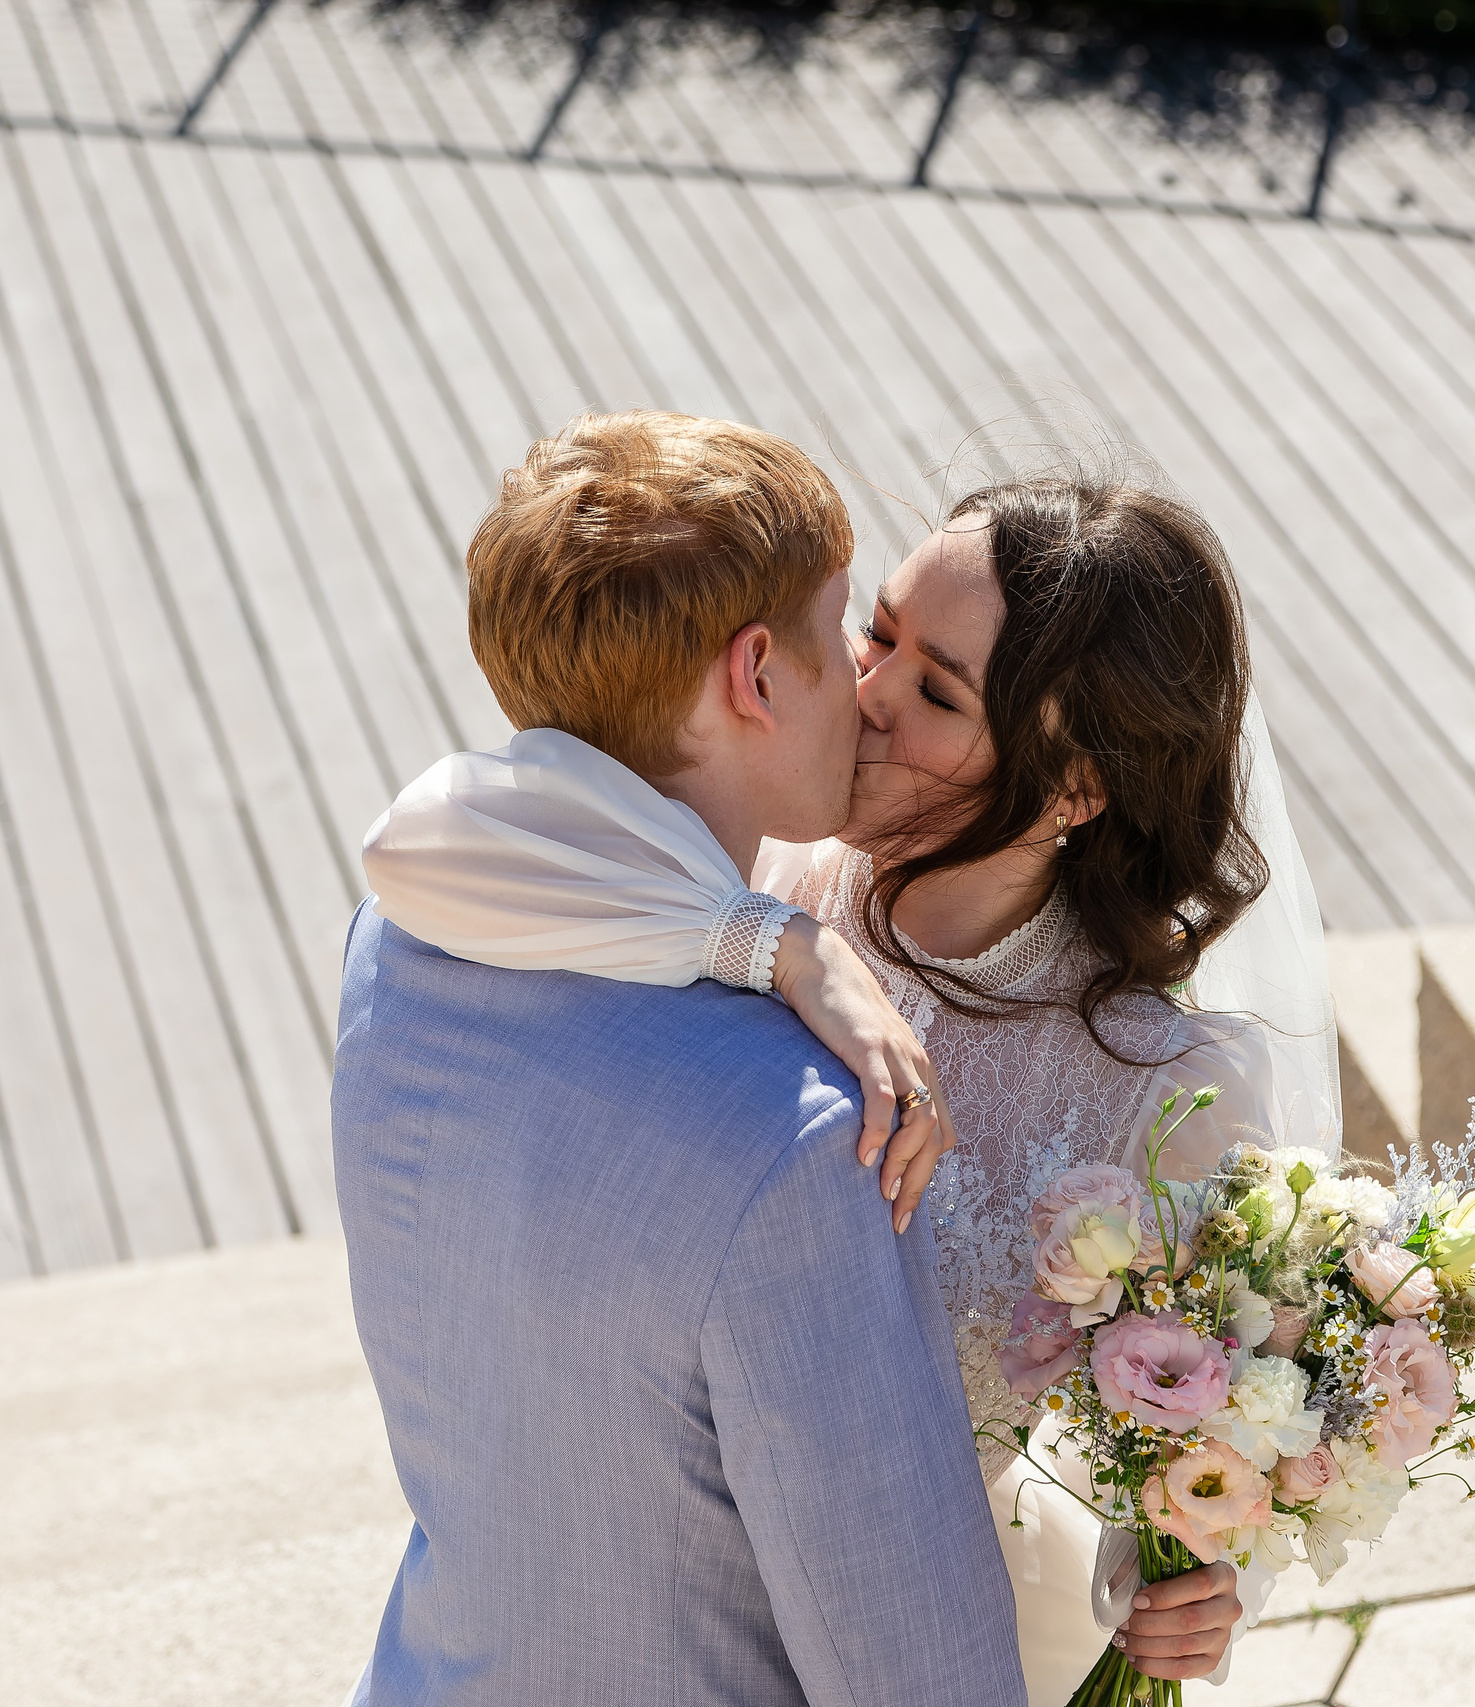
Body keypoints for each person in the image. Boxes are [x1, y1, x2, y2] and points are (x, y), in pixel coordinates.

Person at [364, 428, 1342, 1702]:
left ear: (1076, 789)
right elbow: (424, 852)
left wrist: (1181, 1583)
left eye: (937, 693)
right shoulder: (750, 867)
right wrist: (778, 945)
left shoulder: (1160, 1081)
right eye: (876, 635)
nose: (866, 693)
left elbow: (1200, 1424)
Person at [331, 413, 1026, 1707]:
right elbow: (910, 1659)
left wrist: (777, 938)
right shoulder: (805, 1134)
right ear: (755, 673)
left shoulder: (399, 939)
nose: (867, 690)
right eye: (841, 634)